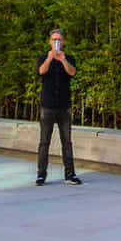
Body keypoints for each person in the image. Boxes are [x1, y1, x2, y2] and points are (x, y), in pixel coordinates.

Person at [34, 27, 82, 186]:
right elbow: (41, 71)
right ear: (50, 42)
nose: (57, 42)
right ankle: (41, 174)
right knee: (44, 142)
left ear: (63, 42)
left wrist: (62, 59)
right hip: (47, 106)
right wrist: (49, 58)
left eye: (59, 40)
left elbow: (72, 72)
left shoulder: (68, 58)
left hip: (64, 106)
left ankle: (70, 174)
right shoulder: (43, 57)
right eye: (54, 40)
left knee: (67, 142)